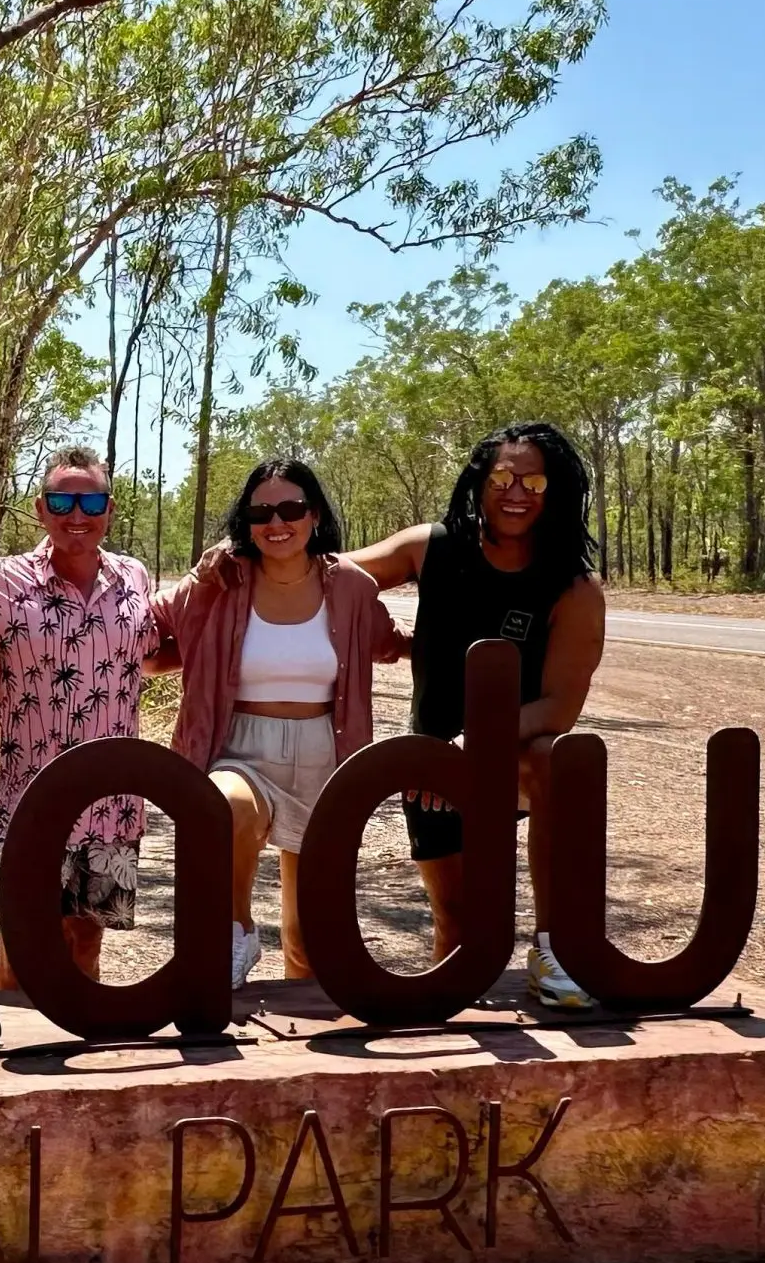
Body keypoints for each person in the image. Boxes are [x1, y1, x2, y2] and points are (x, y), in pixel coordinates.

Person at [347, 422, 607, 1008]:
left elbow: (559, 707)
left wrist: (472, 748)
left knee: (554, 763)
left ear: (556, 490)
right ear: (479, 480)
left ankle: (555, 948)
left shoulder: (574, 589)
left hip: (510, 760)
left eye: (535, 480)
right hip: (432, 770)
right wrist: (381, 631)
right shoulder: (431, 547)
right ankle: (448, 1046)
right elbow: (332, 575)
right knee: (460, 933)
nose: (518, 491)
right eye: (503, 477)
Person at [146, 457, 407, 986]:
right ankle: (236, 933)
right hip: (241, 746)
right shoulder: (222, 579)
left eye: (291, 508)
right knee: (227, 809)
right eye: (261, 512)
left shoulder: (352, 586)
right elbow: (147, 632)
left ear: (314, 516)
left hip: (326, 754)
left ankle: (301, 1023)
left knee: (310, 937)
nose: (276, 523)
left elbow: (391, 643)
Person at [0, 445, 159, 984]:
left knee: (86, 948)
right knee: (20, 954)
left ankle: (83, 1061)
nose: (78, 514)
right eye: (63, 500)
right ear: (41, 508)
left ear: (109, 508)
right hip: (31, 802)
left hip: (110, 807)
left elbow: (155, 652)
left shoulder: (135, 580)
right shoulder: (1, 584)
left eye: (91, 500)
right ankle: (6, 1066)